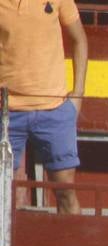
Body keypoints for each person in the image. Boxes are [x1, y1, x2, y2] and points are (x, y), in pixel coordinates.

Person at [1, 0, 88, 214]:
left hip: (55, 109)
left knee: (66, 191)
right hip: (6, 113)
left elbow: (80, 40)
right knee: (0, 194)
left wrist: (78, 94)